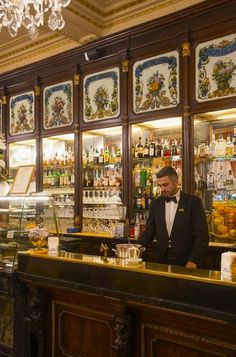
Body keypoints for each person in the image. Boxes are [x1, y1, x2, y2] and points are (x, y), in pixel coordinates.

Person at [138, 166, 209, 268]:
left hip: (186, 260)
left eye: (165, 185)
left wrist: (194, 261)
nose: (162, 189)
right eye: (160, 186)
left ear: (176, 182)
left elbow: (202, 236)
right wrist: (134, 248)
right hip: (162, 259)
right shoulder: (155, 204)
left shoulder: (193, 202)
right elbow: (148, 233)